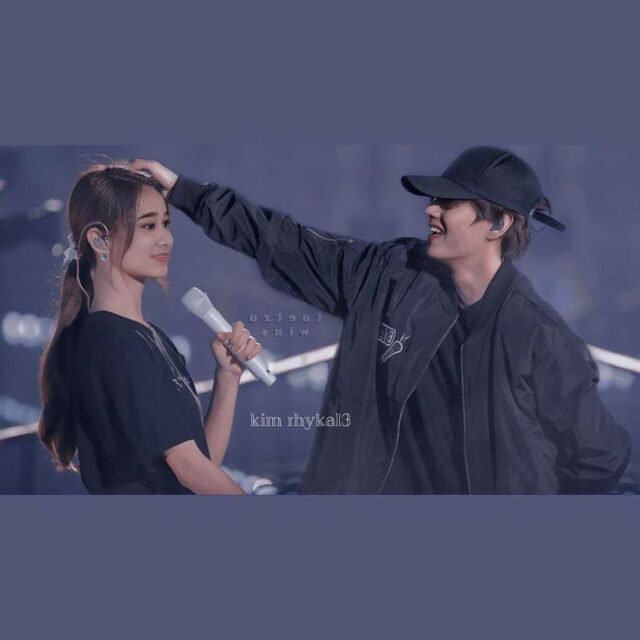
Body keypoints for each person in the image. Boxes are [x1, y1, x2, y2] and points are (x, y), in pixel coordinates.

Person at [128, 147, 632, 494]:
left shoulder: (539, 337)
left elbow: (600, 458)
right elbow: (283, 241)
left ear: (498, 223)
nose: (431, 211)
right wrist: (184, 193)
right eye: (434, 199)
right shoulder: (387, 274)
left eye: (449, 202)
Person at [38, 165, 263, 494]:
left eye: (166, 224)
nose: (165, 239)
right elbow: (189, 469)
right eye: (148, 225)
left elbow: (201, 464)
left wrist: (227, 378)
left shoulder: (149, 337)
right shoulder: (115, 342)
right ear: (99, 240)